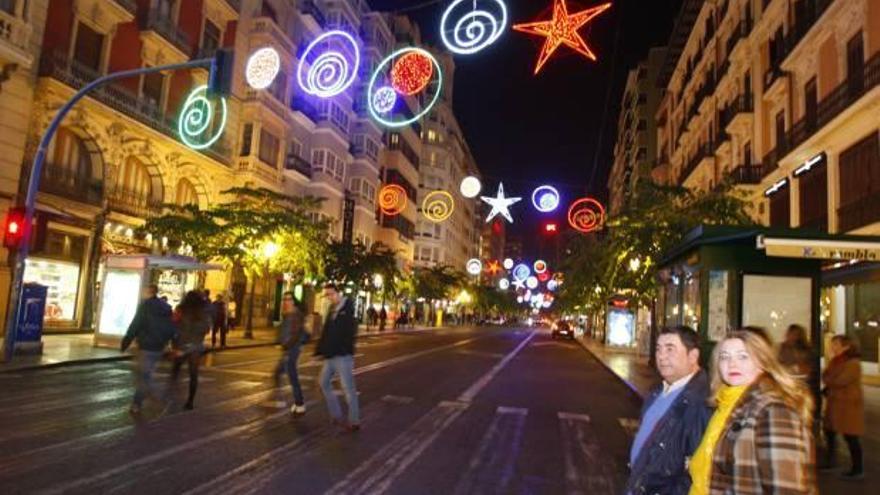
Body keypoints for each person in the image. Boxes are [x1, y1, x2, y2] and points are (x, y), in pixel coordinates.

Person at [688, 330, 815, 495]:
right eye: (724, 357)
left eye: (743, 356)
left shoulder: (773, 410)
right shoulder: (725, 404)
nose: (732, 364)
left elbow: (787, 488)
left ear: (762, 362)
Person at [626, 326, 710, 495]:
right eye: (658, 349)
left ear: (693, 356)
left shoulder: (701, 402)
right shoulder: (658, 391)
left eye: (670, 349)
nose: (662, 356)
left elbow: (696, 471)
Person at [121, 284, 177, 415]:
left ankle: (160, 398)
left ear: (149, 292)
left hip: (146, 345)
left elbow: (136, 323)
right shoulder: (166, 308)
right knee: (144, 376)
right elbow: (171, 326)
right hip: (159, 347)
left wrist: (126, 341)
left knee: (144, 377)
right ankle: (137, 403)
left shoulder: (145, 306)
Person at [315, 283, 360, 432]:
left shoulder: (348, 308)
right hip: (330, 355)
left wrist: (343, 348)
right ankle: (336, 414)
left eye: (330, 294)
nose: (329, 297)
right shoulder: (331, 309)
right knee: (323, 382)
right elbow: (326, 332)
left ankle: (354, 420)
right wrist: (319, 350)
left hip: (343, 356)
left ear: (338, 293)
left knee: (348, 388)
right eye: (327, 295)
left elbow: (349, 334)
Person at [821, 335, 864, 480]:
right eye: (832, 344)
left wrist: (829, 380)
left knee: (851, 436)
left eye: (836, 344)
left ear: (846, 346)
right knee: (829, 432)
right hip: (835, 404)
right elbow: (826, 376)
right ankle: (830, 461)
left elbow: (840, 380)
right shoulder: (835, 361)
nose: (832, 347)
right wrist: (829, 380)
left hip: (847, 405)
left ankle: (858, 469)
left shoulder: (852, 363)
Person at [169, 290, 211, 410]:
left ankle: (172, 393)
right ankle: (190, 401)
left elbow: (174, 325)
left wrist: (175, 343)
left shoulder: (181, 309)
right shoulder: (202, 313)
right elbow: (207, 328)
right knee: (193, 374)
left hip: (182, 345)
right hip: (196, 346)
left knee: (176, 369)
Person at [274, 292, 308, 415]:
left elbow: (296, 334)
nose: (286, 302)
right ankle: (280, 397)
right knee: (278, 372)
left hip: (292, 349)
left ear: (293, 301)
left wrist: (286, 346)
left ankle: (300, 404)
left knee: (292, 375)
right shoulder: (287, 314)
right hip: (287, 348)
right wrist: (278, 341)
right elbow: (283, 330)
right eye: (284, 299)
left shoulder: (296, 315)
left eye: (288, 299)